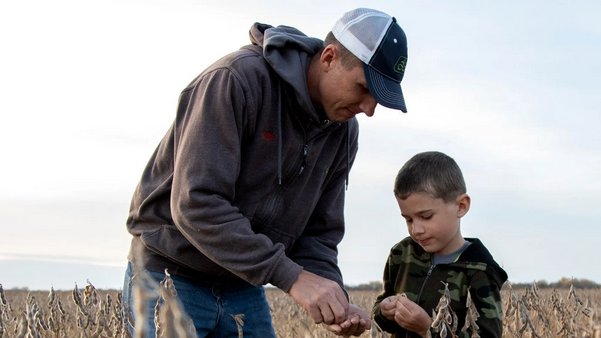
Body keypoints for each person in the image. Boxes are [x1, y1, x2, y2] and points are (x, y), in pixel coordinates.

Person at [122, 7, 409, 338]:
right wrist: (292, 276)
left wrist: (334, 301)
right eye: (364, 88)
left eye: (379, 99)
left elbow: (319, 234)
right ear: (329, 57)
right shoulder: (236, 80)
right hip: (169, 271)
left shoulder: (344, 132)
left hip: (242, 282)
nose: (369, 109)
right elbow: (195, 203)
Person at [372, 151, 508, 338]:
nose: (416, 230)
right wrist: (383, 311)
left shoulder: (479, 270)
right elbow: (381, 315)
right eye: (408, 219)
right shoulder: (402, 254)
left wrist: (427, 329)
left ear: (461, 206)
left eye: (426, 217)